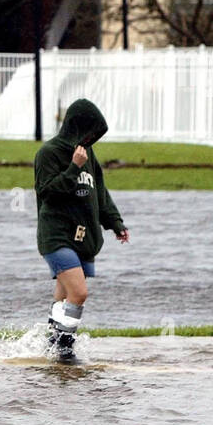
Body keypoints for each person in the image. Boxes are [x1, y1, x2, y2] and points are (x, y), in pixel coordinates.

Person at [33, 98, 129, 363]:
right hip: (56, 235)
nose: (90, 139)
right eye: (87, 132)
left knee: (63, 295)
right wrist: (74, 166)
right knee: (79, 292)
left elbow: (100, 192)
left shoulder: (88, 153)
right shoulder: (48, 153)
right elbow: (47, 192)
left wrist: (115, 223)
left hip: (82, 236)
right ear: (76, 127)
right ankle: (65, 349)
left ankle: (51, 344)